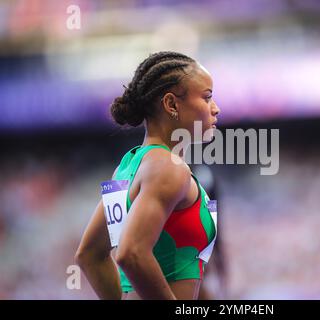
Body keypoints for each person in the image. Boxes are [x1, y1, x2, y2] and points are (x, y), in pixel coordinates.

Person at [75, 51, 220, 300]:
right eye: (207, 98)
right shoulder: (169, 168)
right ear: (171, 104)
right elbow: (131, 252)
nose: (216, 108)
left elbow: (90, 254)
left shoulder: (128, 165)